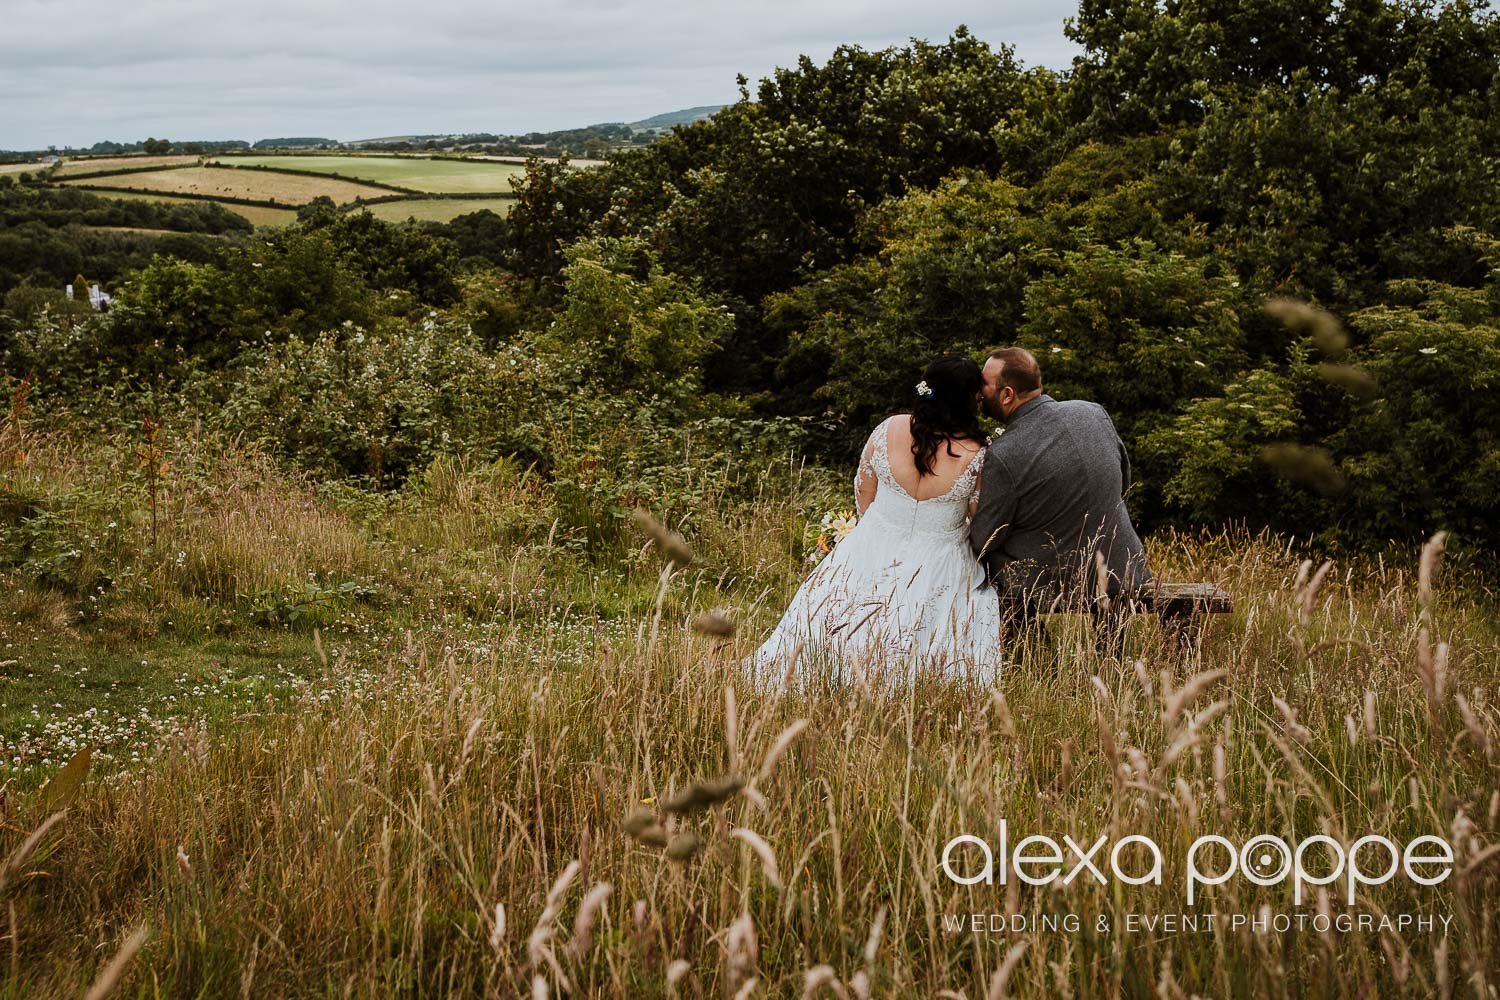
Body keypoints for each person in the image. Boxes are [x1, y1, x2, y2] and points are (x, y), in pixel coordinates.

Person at [753, 356, 1002, 686]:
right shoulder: (977, 453)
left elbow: (864, 490)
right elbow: (977, 513)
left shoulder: (890, 429)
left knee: (836, 620)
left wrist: (874, 533)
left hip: (871, 544)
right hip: (942, 559)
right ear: (969, 399)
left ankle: (833, 679)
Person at [968, 347, 1150, 651]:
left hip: (1059, 578)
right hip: (1122, 563)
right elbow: (1123, 481)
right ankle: (1112, 656)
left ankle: (1032, 653)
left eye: (984, 386)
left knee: (990, 561)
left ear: (1007, 394)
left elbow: (985, 538)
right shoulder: (1092, 412)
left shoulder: (1004, 453)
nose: (978, 392)